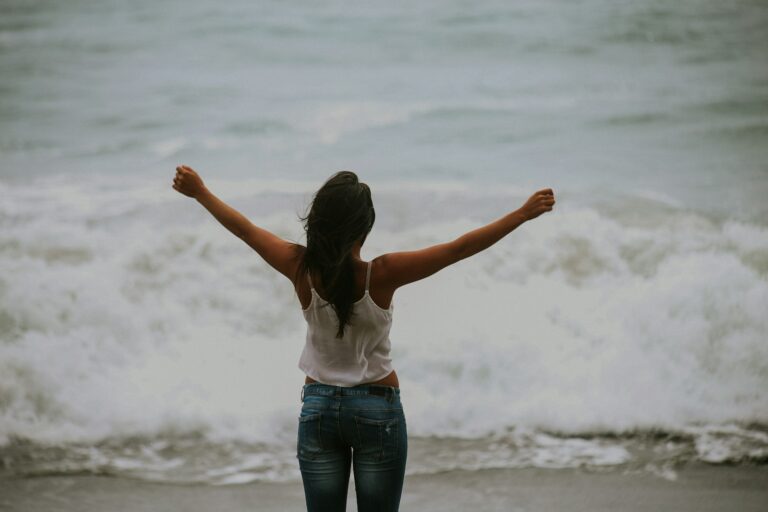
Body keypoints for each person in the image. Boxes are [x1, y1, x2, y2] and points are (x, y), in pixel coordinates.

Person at [171, 165, 555, 511]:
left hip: (318, 408)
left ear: (318, 222)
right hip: (377, 409)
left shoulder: (299, 267)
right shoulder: (382, 273)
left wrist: (200, 192)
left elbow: (244, 229)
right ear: (365, 226)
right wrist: (521, 214)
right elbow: (458, 248)